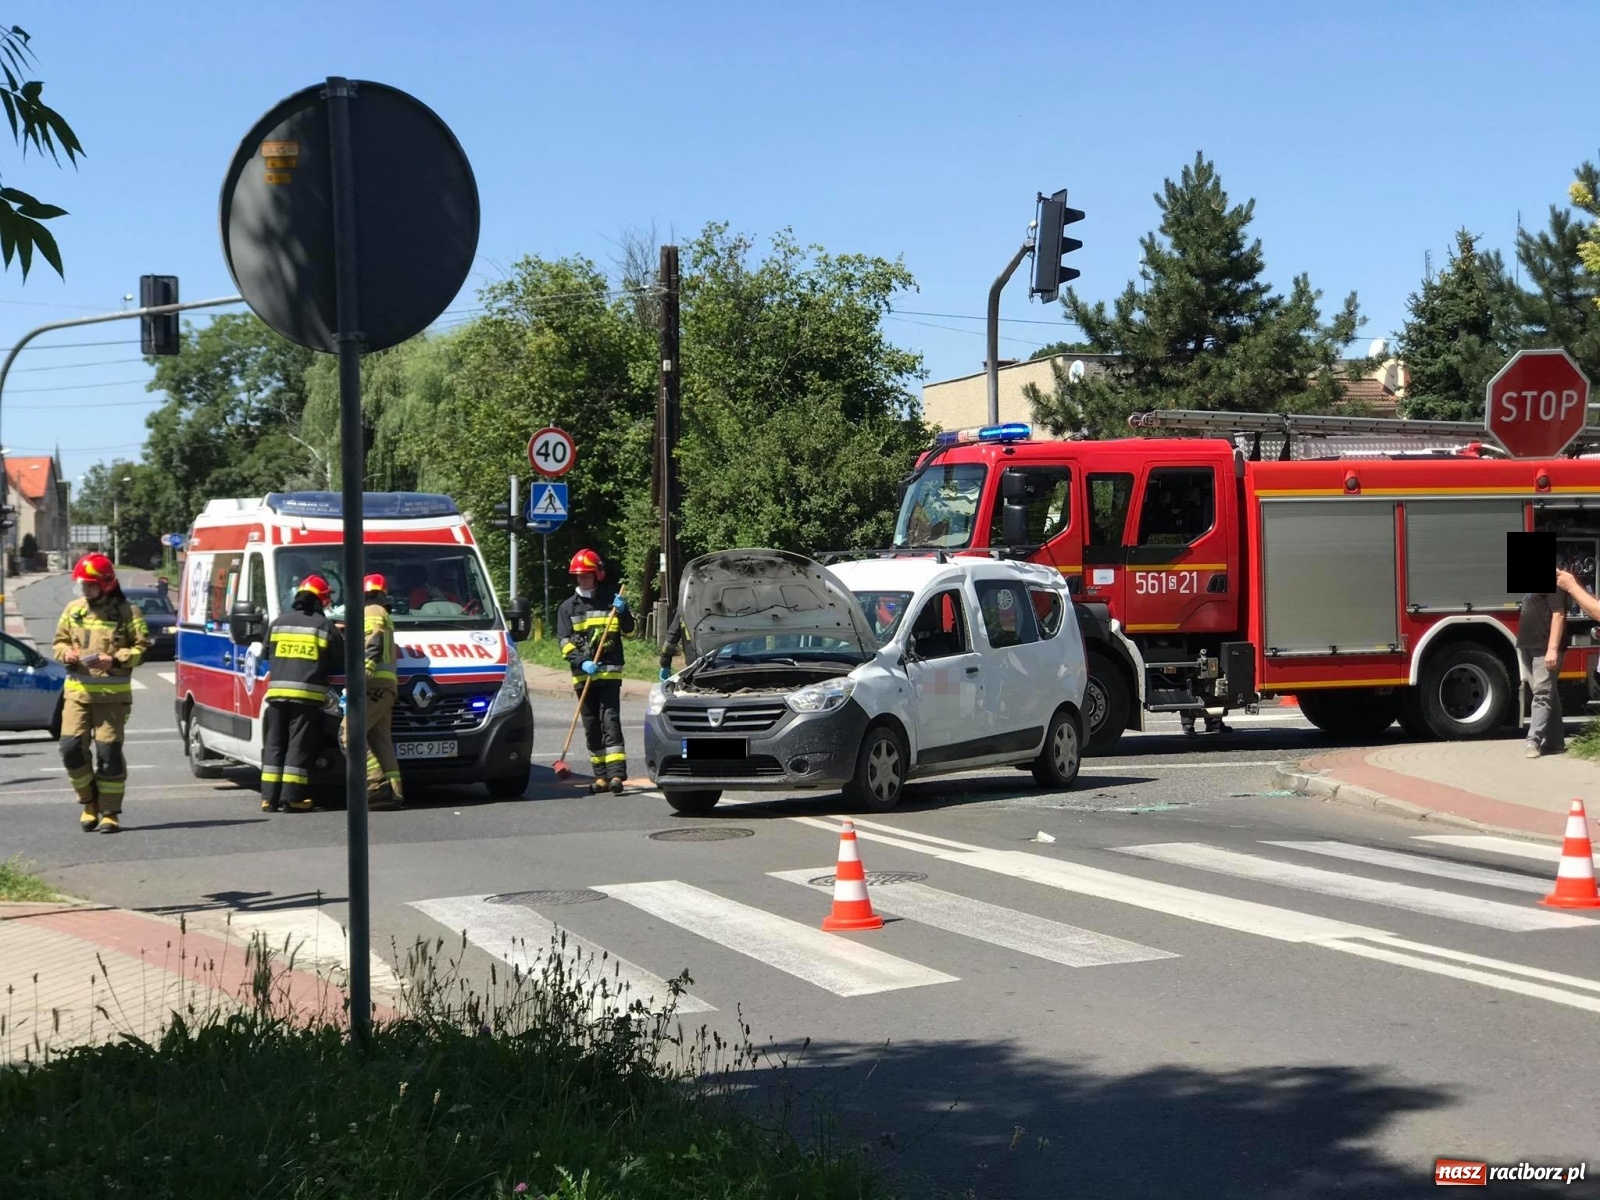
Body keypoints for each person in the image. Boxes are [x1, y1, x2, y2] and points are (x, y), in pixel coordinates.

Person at [52, 553, 151, 833]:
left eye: (90, 585)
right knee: (70, 749)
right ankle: (89, 802)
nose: (85, 591)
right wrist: (67, 654)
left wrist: (115, 659)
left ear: (106, 584)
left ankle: (109, 811)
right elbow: (58, 643)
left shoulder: (127, 612)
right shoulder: (73, 609)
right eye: (82, 585)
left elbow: (142, 649)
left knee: (108, 753)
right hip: (77, 695)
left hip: (112, 697)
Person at [259, 575, 343, 812]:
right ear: (319, 601)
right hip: (306, 697)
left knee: (275, 743)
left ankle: (268, 797)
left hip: (276, 695)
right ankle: (292, 797)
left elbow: (265, 654)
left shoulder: (278, 623)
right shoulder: (324, 627)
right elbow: (339, 659)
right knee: (298, 745)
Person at [556, 548, 634, 793]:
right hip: (584, 676)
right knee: (591, 724)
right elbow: (564, 642)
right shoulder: (567, 608)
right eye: (579, 576)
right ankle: (600, 775)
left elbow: (630, 633)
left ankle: (616, 776)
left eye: (587, 575)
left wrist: (623, 613)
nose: (582, 580)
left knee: (610, 721)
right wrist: (582, 662)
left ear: (597, 575)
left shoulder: (611, 602)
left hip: (609, 674)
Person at [342, 574, 405, 811]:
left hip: (373, 686)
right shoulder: (383, 613)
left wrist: (362, 677)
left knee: (349, 735)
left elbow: (373, 643)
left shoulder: (371, 612)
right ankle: (394, 793)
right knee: (380, 740)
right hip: (386, 687)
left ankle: (376, 785)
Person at [1519, 577, 1568, 758]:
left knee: (1542, 695)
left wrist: (1552, 649)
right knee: (1547, 693)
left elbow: (1558, 614)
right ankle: (1556, 742)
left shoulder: (1556, 580)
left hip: (1544, 647)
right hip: (1529, 646)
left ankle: (1533, 741)